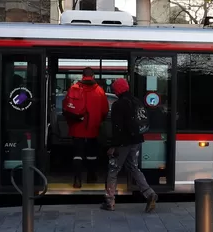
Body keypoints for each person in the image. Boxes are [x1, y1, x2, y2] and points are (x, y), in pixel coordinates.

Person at [102, 78, 158, 212]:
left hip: (123, 143)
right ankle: (149, 193)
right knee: (133, 167)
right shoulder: (136, 101)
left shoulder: (118, 104)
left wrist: (113, 146)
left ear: (117, 90)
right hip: (137, 141)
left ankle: (109, 201)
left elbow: (118, 128)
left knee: (113, 169)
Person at [64, 67, 109, 188]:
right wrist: (99, 121)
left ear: (82, 75)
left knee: (77, 154)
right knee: (92, 154)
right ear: (93, 76)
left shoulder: (73, 88)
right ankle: (91, 176)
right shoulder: (99, 91)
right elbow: (105, 110)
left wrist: (72, 122)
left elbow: (66, 108)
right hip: (93, 128)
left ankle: (77, 179)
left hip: (76, 127)